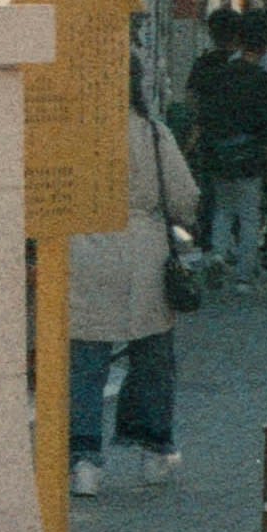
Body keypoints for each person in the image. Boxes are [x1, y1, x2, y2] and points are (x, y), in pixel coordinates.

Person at [71, 78, 196, 495]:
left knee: (86, 362)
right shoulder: (153, 131)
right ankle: (154, 449)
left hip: (84, 249)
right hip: (144, 252)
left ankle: (84, 462)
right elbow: (184, 196)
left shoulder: (71, 127)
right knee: (153, 355)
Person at [190, 12, 267, 294]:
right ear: (263, 47)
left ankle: (216, 255)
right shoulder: (262, 78)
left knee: (222, 210)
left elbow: (203, 112)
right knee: (249, 216)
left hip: (219, 151)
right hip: (249, 152)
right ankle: (243, 277)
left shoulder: (217, 74)